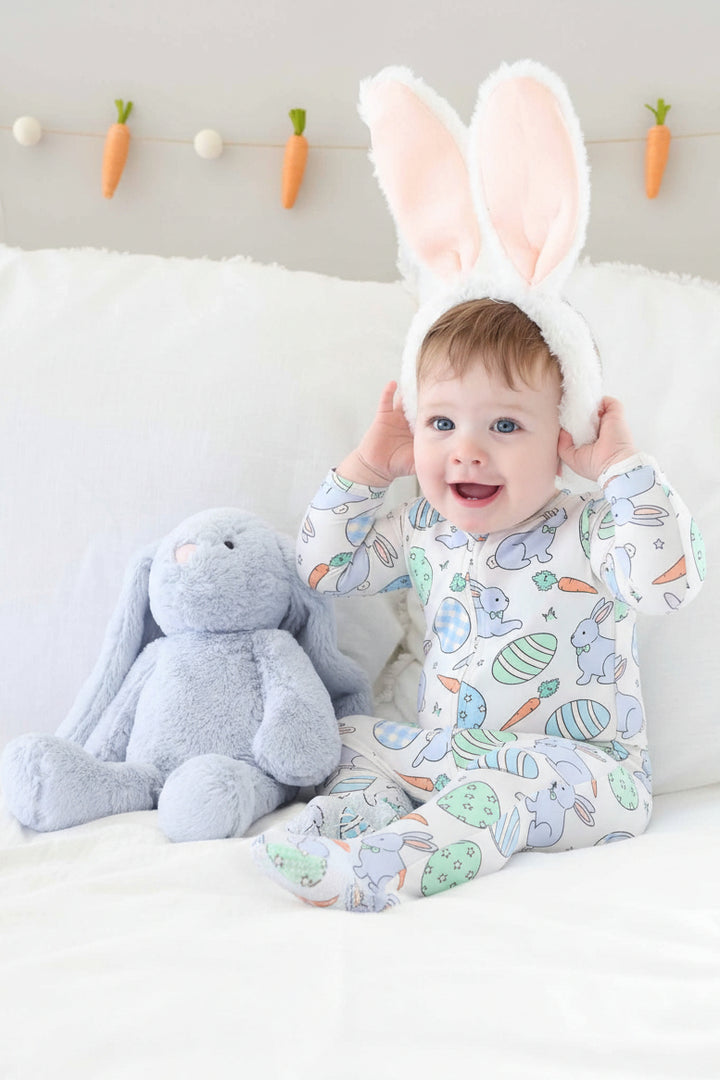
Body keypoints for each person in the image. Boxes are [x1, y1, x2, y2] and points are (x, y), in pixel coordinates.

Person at [252, 297, 705, 912]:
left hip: (588, 778)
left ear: (564, 437)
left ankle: (377, 873)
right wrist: (369, 467)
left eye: (506, 426)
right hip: (452, 765)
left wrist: (620, 468)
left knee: (495, 789)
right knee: (348, 737)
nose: (466, 450)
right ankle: (335, 829)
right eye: (442, 424)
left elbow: (668, 582)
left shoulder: (595, 530)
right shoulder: (423, 530)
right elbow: (322, 566)